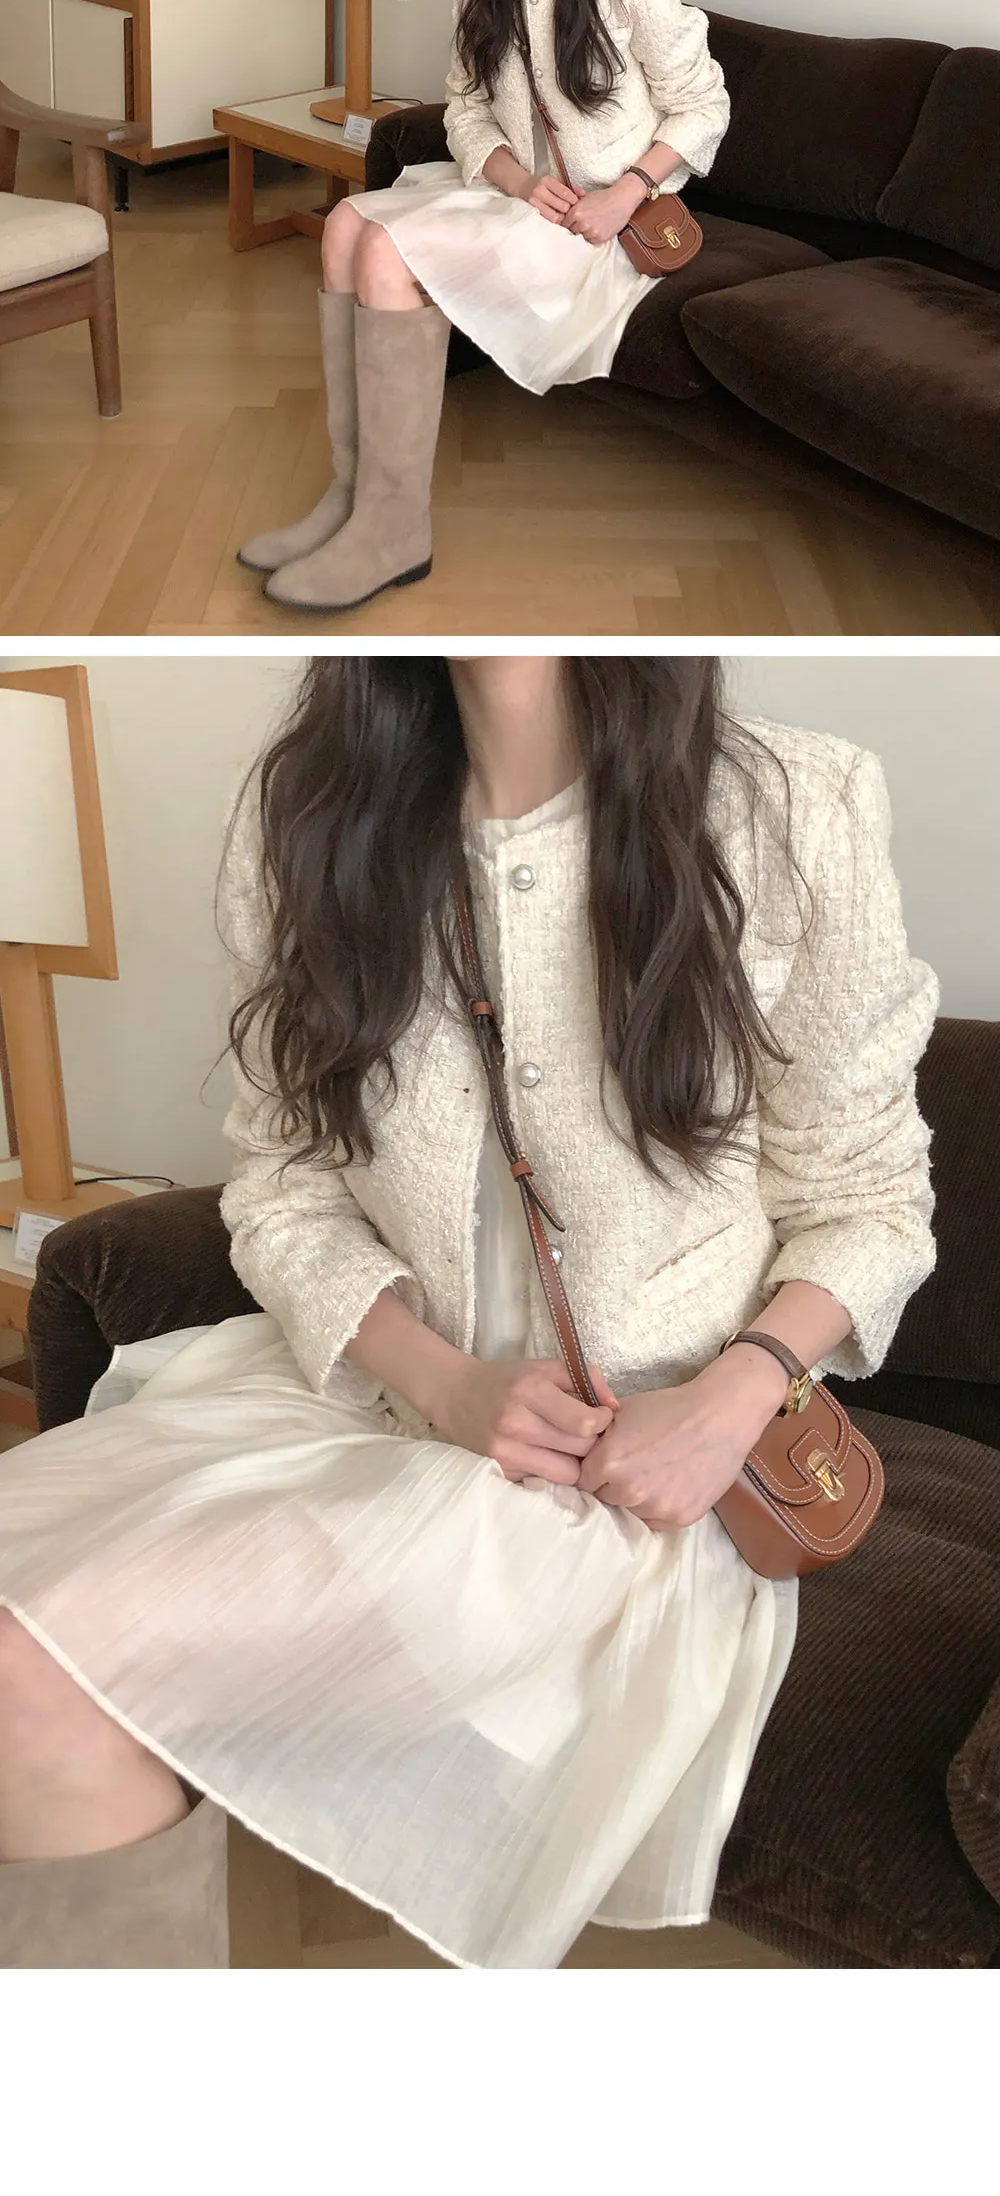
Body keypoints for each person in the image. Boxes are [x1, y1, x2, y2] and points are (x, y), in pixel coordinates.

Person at [0, 650, 936, 1973]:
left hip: (620, 1487)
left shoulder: (790, 805)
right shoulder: (308, 811)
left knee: (28, 1673)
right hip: (365, 1401)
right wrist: (438, 1377)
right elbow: (281, 1185)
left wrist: (728, 1400)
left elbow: (872, 1198)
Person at [239, 0, 730, 614]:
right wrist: (516, 177)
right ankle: (354, 493)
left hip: (594, 231)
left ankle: (395, 528)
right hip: (515, 198)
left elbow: (704, 104)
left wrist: (623, 193)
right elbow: (465, 104)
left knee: (385, 248)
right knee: (345, 221)